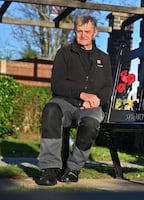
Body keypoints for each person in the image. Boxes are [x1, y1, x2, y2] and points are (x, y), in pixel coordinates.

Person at [35, 14, 113, 186]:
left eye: (87, 31)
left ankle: (72, 169)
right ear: (74, 31)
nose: (83, 35)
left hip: (91, 106)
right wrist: (82, 94)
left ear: (95, 33)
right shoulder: (64, 53)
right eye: (79, 31)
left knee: (91, 123)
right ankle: (51, 170)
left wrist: (97, 100)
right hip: (64, 102)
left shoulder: (104, 58)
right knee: (50, 111)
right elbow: (57, 84)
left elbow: (108, 87)